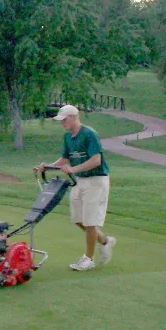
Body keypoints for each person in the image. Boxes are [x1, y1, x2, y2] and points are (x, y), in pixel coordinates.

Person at [34, 104, 115, 271]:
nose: (62, 123)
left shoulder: (89, 134)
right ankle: (105, 241)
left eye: (64, 120)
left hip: (96, 180)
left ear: (73, 117)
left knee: (90, 222)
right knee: (78, 219)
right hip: (81, 180)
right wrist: (47, 167)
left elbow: (96, 160)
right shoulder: (68, 137)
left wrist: (74, 169)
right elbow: (64, 159)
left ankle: (88, 259)